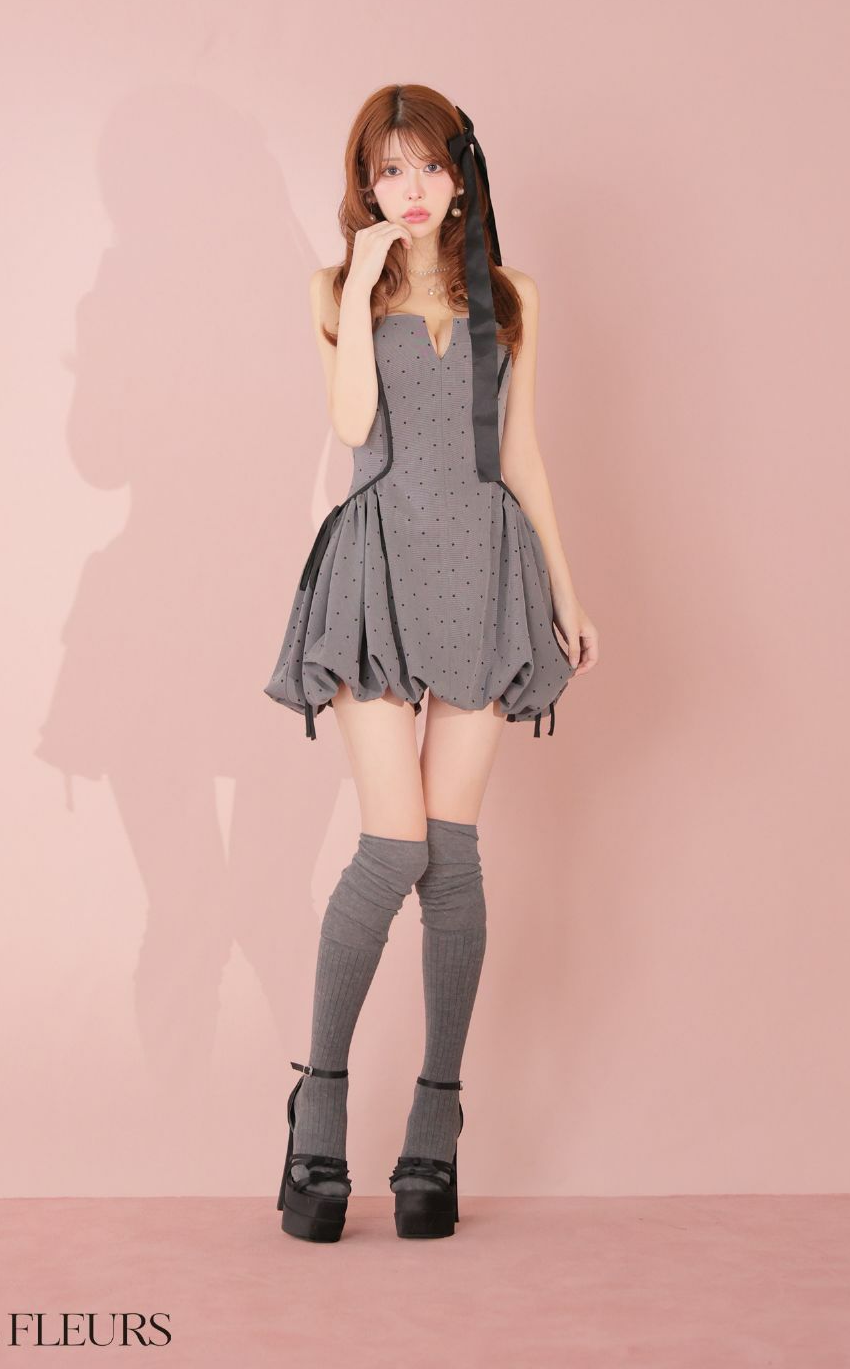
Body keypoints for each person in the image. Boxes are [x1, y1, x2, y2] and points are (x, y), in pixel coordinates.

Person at [265, 84, 598, 1240]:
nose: (409, 189)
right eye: (387, 171)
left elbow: (524, 455)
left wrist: (566, 595)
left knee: (452, 856)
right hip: (376, 571)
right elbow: (354, 425)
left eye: (427, 166)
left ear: (461, 175)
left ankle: (434, 1122)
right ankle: (320, 1102)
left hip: (484, 566)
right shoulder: (335, 290)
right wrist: (363, 278)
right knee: (392, 844)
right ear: (365, 186)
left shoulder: (512, 296)